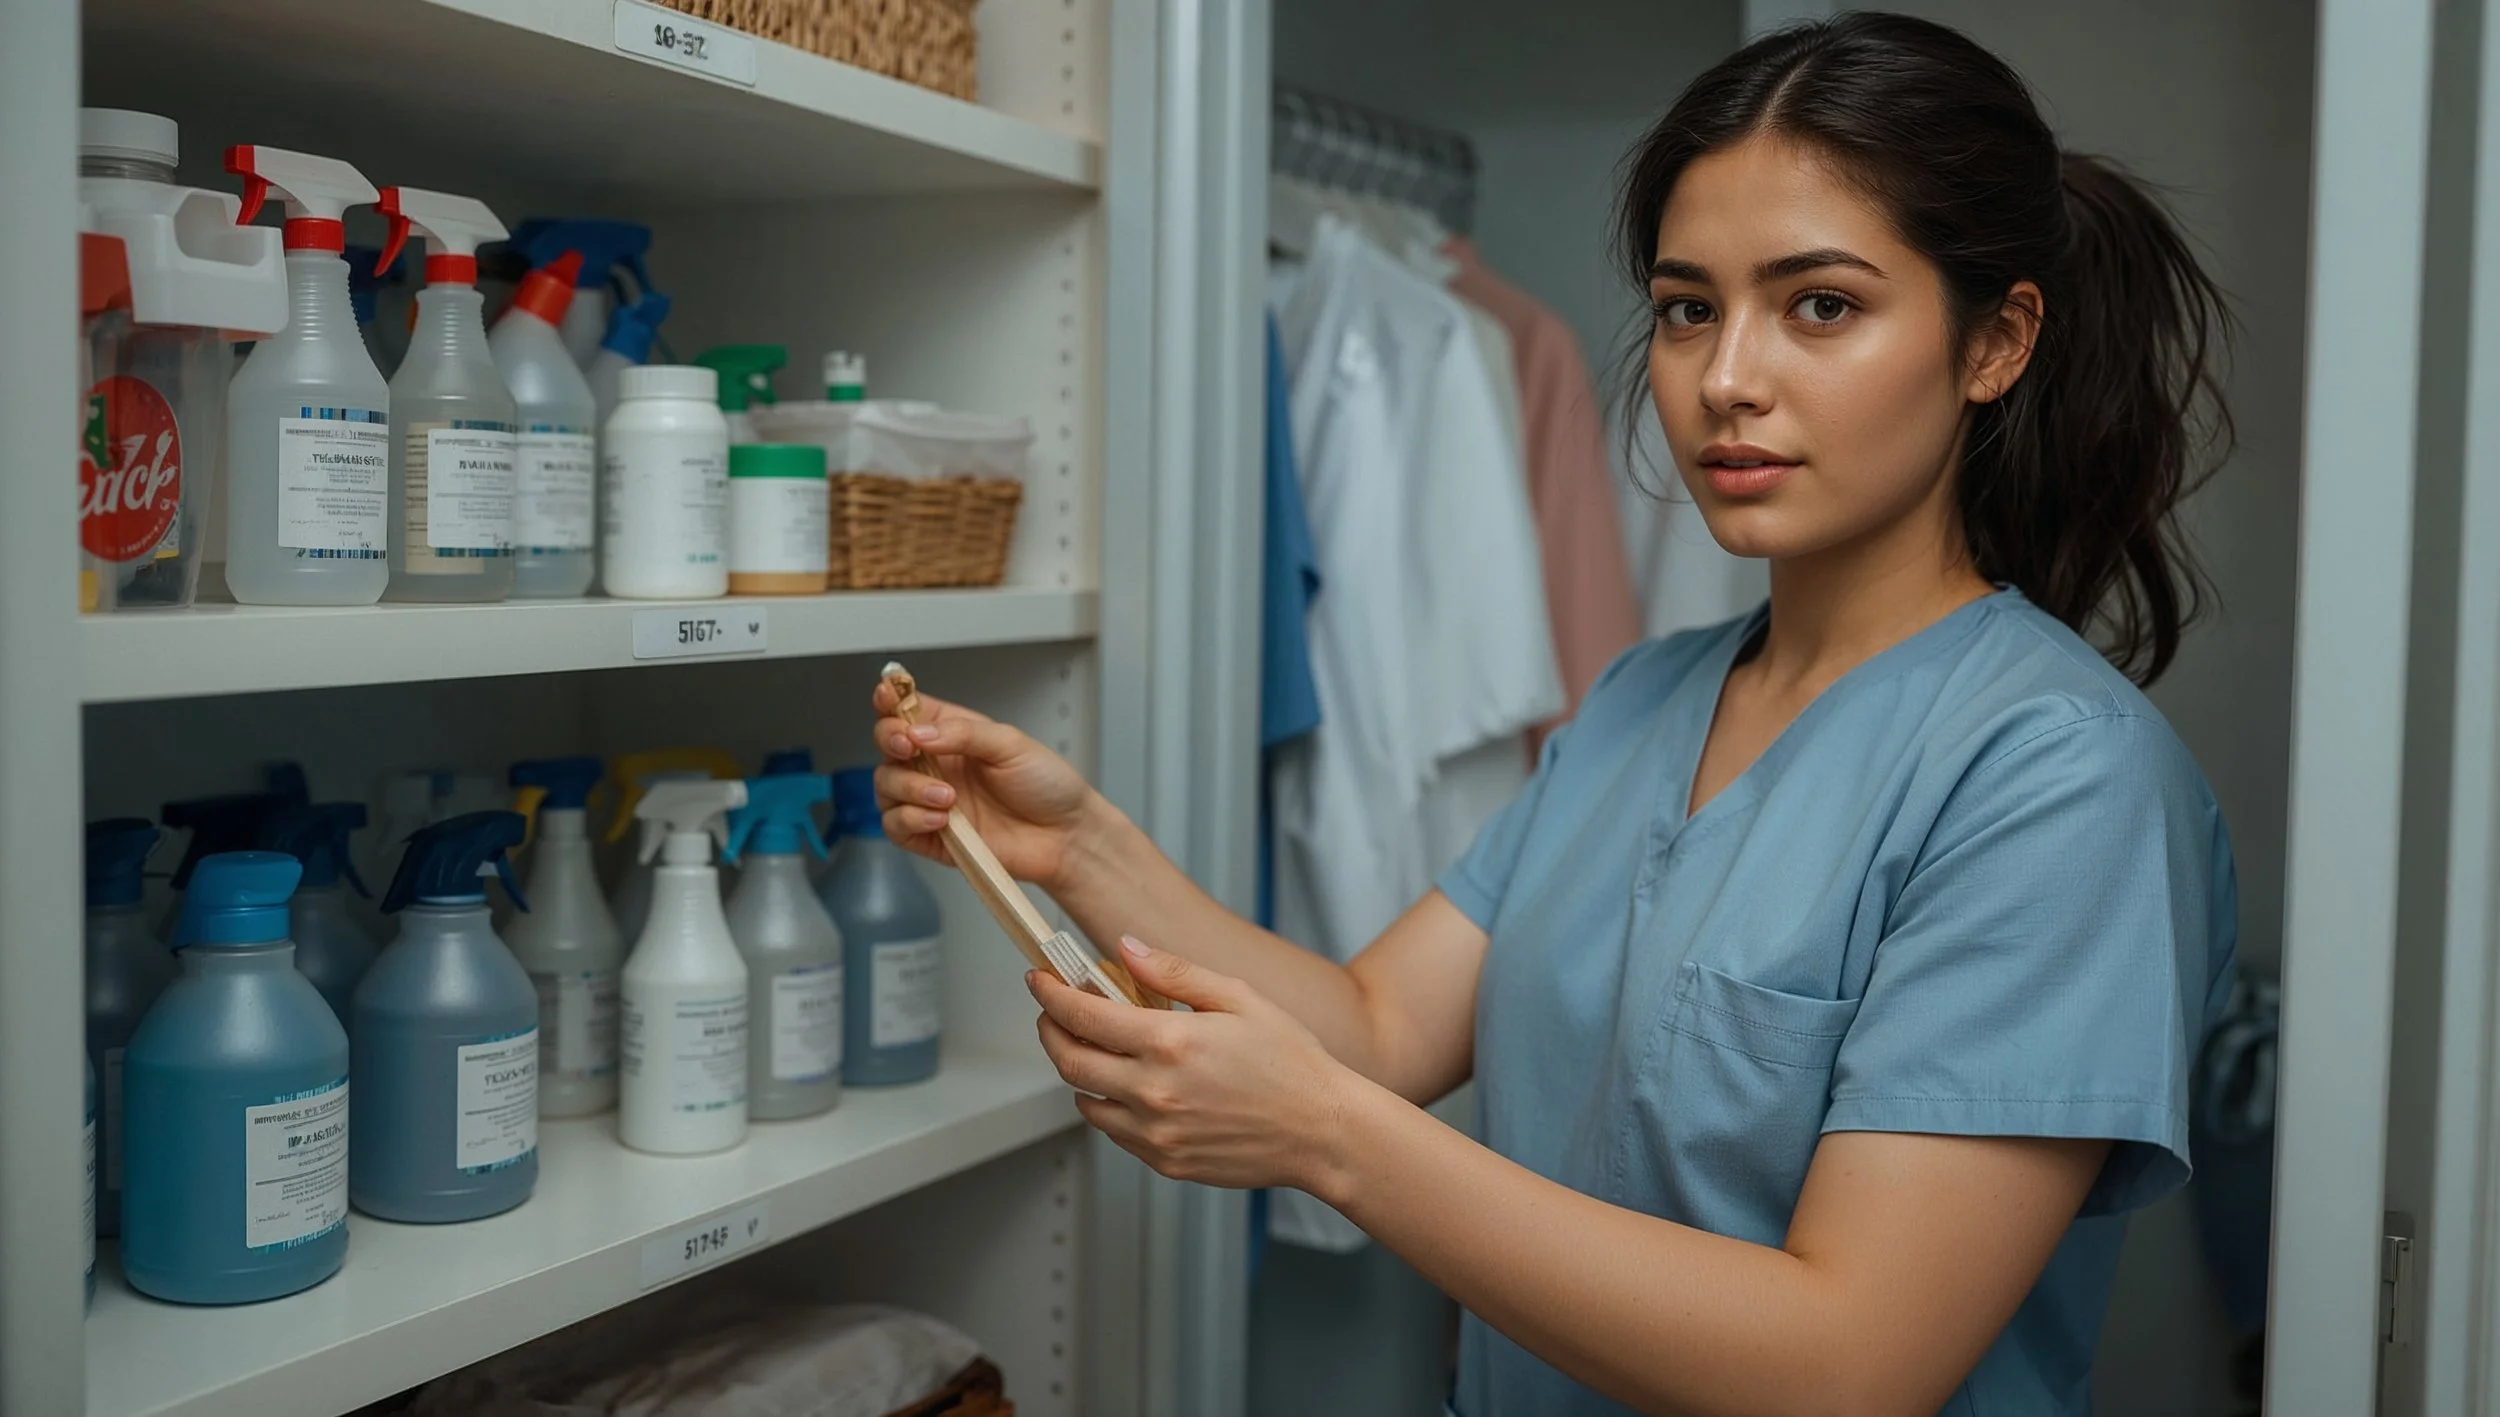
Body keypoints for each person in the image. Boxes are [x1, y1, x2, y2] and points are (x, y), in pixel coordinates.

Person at [873, 12, 2237, 1415]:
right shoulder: (1650, 697)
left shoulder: (2060, 784)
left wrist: (1328, 1139)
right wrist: (1080, 846)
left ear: (1996, 343)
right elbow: (1377, 1026)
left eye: (1820, 304)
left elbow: (1850, 1363)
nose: (1726, 380)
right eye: (1687, 306)